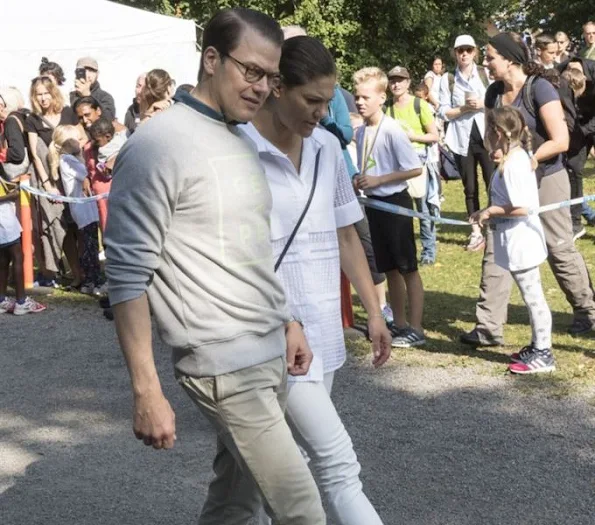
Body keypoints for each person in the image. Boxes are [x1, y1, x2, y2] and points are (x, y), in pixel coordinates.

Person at [105, 7, 326, 524]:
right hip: (224, 364)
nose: (261, 88)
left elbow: (246, 253)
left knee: (235, 505)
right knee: (303, 511)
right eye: (250, 71)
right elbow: (127, 276)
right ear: (210, 59)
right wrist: (146, 390)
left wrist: (287, 321)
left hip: (267, 351)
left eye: (271, 78)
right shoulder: (157, 144)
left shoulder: (237, 137)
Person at [240, 35, 390, 525]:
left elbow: (347, 234)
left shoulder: (327, 147)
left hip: (323, 327)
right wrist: (279, 318)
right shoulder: (238, 148)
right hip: (267, 331)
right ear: (278, 87)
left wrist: (374, 312)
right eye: (313, 101)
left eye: (329, 102)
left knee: (276, 471)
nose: (323, 114)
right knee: (337, 462)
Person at [460, 31, 595, 347]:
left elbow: (560, 140)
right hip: (510, 178)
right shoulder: (494, 92)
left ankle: (587, 312)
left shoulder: (540, 88)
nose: (487, 62)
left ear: (509, 59)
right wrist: (499, 155)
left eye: (491, 57)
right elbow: (494, 137)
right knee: (497, 246)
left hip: (547, 176)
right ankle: (488, 327)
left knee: (559, 246)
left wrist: (528, 160)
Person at [471, 107, 554, 374]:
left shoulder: (515, 164)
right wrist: (485, 211)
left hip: (523, 240)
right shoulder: (510, 159)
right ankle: (536, 344)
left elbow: (523, 207)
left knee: (534, 298)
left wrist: (492, 211)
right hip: (514, 238)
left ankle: (544, 353)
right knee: (531, 296)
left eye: (488, 130)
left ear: (498, 133)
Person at [353, 66, 426, 348]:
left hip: (395, 204)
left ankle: (416, 328)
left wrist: (380, 179)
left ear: (381, 98)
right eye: (357, 97)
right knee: (389, 268)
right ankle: (400, 322)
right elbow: (369, 166)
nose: (360, 102)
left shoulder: (392, 130)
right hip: (374, 205)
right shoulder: (361, 132)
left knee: (407, 267)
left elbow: (414, 168)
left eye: (366, 97)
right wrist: (360, 179)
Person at [438, 34, 493, 252]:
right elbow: (443, 111)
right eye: (460, 50)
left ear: (474, 51)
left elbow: (498, 102)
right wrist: (464, 108)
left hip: (486, 136)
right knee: (469, 188)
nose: (464, 54)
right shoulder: (447, 79)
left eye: (468, 50)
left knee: (493, 184)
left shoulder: (485, 73)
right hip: (461, 140)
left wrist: (481, 104)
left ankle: (494, 226)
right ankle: (476, 232)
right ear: (454, 53)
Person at [25, 76, 81, 288]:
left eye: (45, 93)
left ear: (53, 92)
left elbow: (81, 138)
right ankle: (75, 273)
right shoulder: (33, 120)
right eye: (38, 94)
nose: (42, 98)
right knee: (62, 225)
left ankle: (88, 272)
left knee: (81, 228)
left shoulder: (67, 112)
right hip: (53, 179)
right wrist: (48, 184)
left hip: (73, 175)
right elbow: (35, 154)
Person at [386, 65, 440, 265]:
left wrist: (411, 137)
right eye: (392, 80)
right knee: (402, 211)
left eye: (400, 80)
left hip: (419, 161)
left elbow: (434, 135)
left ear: (408, 83)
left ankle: (428, 251)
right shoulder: (388, 109)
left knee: (423, 209)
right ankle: (406, 251)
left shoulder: (419, 105)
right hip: (397, 164)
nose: (396, 84)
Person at [48, 126, 102, 295]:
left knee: (90, 245)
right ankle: (91, 281)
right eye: (77, 140)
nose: (82, 142)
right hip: (84, 210)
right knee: (89, 247)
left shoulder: (68, 159)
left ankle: (91, 279)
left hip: (86, 208)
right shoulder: (68, 160)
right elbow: (87, 173)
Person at [74, 97, 127, 232]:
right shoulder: (89, 143)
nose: (85, 121)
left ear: (98, 111)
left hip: (118, 200)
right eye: (80, 117)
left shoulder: (118, 132)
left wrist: (114, 160)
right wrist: (87, 178)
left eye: (87, 115)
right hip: (101, 204)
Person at [557, 57, 595, 230]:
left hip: (589, 122)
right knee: (573, 169)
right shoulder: (560, 72)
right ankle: (577, 221)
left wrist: (585, 130)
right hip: (576, 127)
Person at [0, 180, 46, 315]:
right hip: (3, 216)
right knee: (17, 256)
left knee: (3, 258)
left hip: (4, 214)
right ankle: (21, 301)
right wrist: (12, 196)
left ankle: (1, 299)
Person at [70, 57, 116, 121]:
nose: (87, 75)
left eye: (91, 71)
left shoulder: (105, 97)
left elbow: (109, 118)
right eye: (83, 71)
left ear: (97, 74)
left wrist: (88, 96)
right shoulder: (70, 96)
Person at [0, 87, 31, 182]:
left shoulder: (11, 121)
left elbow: (18, 153)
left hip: (17, 174)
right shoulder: (21, 116)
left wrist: (1, 155)